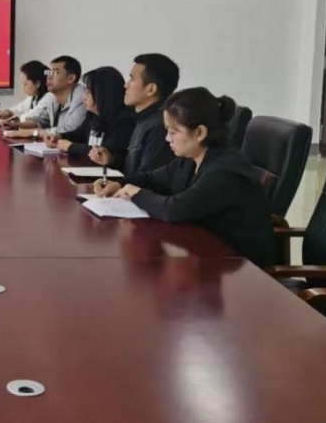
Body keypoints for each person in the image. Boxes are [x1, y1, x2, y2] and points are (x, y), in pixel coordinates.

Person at [94, 88, 275, 267]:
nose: (167, 138)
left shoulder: (223, 173)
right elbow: (152, 178)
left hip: (239, 266)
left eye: (173, 132)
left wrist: (136, 193)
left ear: (200, 132)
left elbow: (174, 209)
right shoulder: (191, 159)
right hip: (204, 252)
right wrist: (119, 184)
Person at [48, 66, 135, 168]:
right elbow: (79, 134)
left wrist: (71, 147)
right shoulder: (93, 115)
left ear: (104, 94)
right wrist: (60, 137)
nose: (83, 97)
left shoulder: (125, 122)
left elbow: (104, 152)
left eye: (89, 92)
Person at [120, 53, 179, 176]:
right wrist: (112, 160)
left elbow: (148, 178)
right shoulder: (145, 117)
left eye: (132, 79)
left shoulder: (160, 124)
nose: (126, 85)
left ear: (151, 89)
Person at [4, 56, 87, 139]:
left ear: (71, 78)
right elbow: (41, 122)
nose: (48, 77)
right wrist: (15, 125)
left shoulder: (82, 96)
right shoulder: (53, 97)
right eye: (48, 73)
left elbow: (68, 129)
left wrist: (32, 132)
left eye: (55, 73)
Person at [0, 60, 53, 126]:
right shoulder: (34, 96)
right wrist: (7, 112)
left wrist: (16, 118)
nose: (23, 88)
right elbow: (20, 107)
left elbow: (30, 117)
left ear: (37, 83)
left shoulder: (49, 97)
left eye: (25, 84)